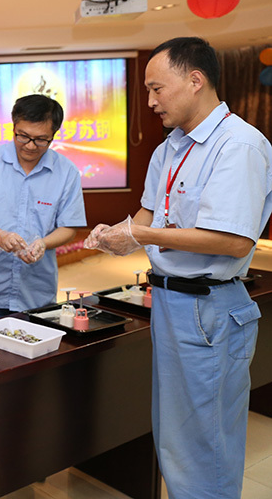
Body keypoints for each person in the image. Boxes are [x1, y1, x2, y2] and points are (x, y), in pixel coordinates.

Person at [85, 37, 272, 499]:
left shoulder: (239, 145)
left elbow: (232, 240)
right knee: (175, 436)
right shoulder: (169, 148)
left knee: (206, 444)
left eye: (156, 89)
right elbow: (149, 217)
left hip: (210, 308)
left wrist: (140, 235)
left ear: (195, 80)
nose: (150, 102)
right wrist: (116, 235)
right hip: (169, 302)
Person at [0, 94, 86, 325]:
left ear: (54, 134)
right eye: (23, 136)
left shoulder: (66, 172)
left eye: (41, 140)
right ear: (13, 126)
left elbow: (69, 227)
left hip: (36, 292)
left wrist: (43, 243)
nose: (30, 146)